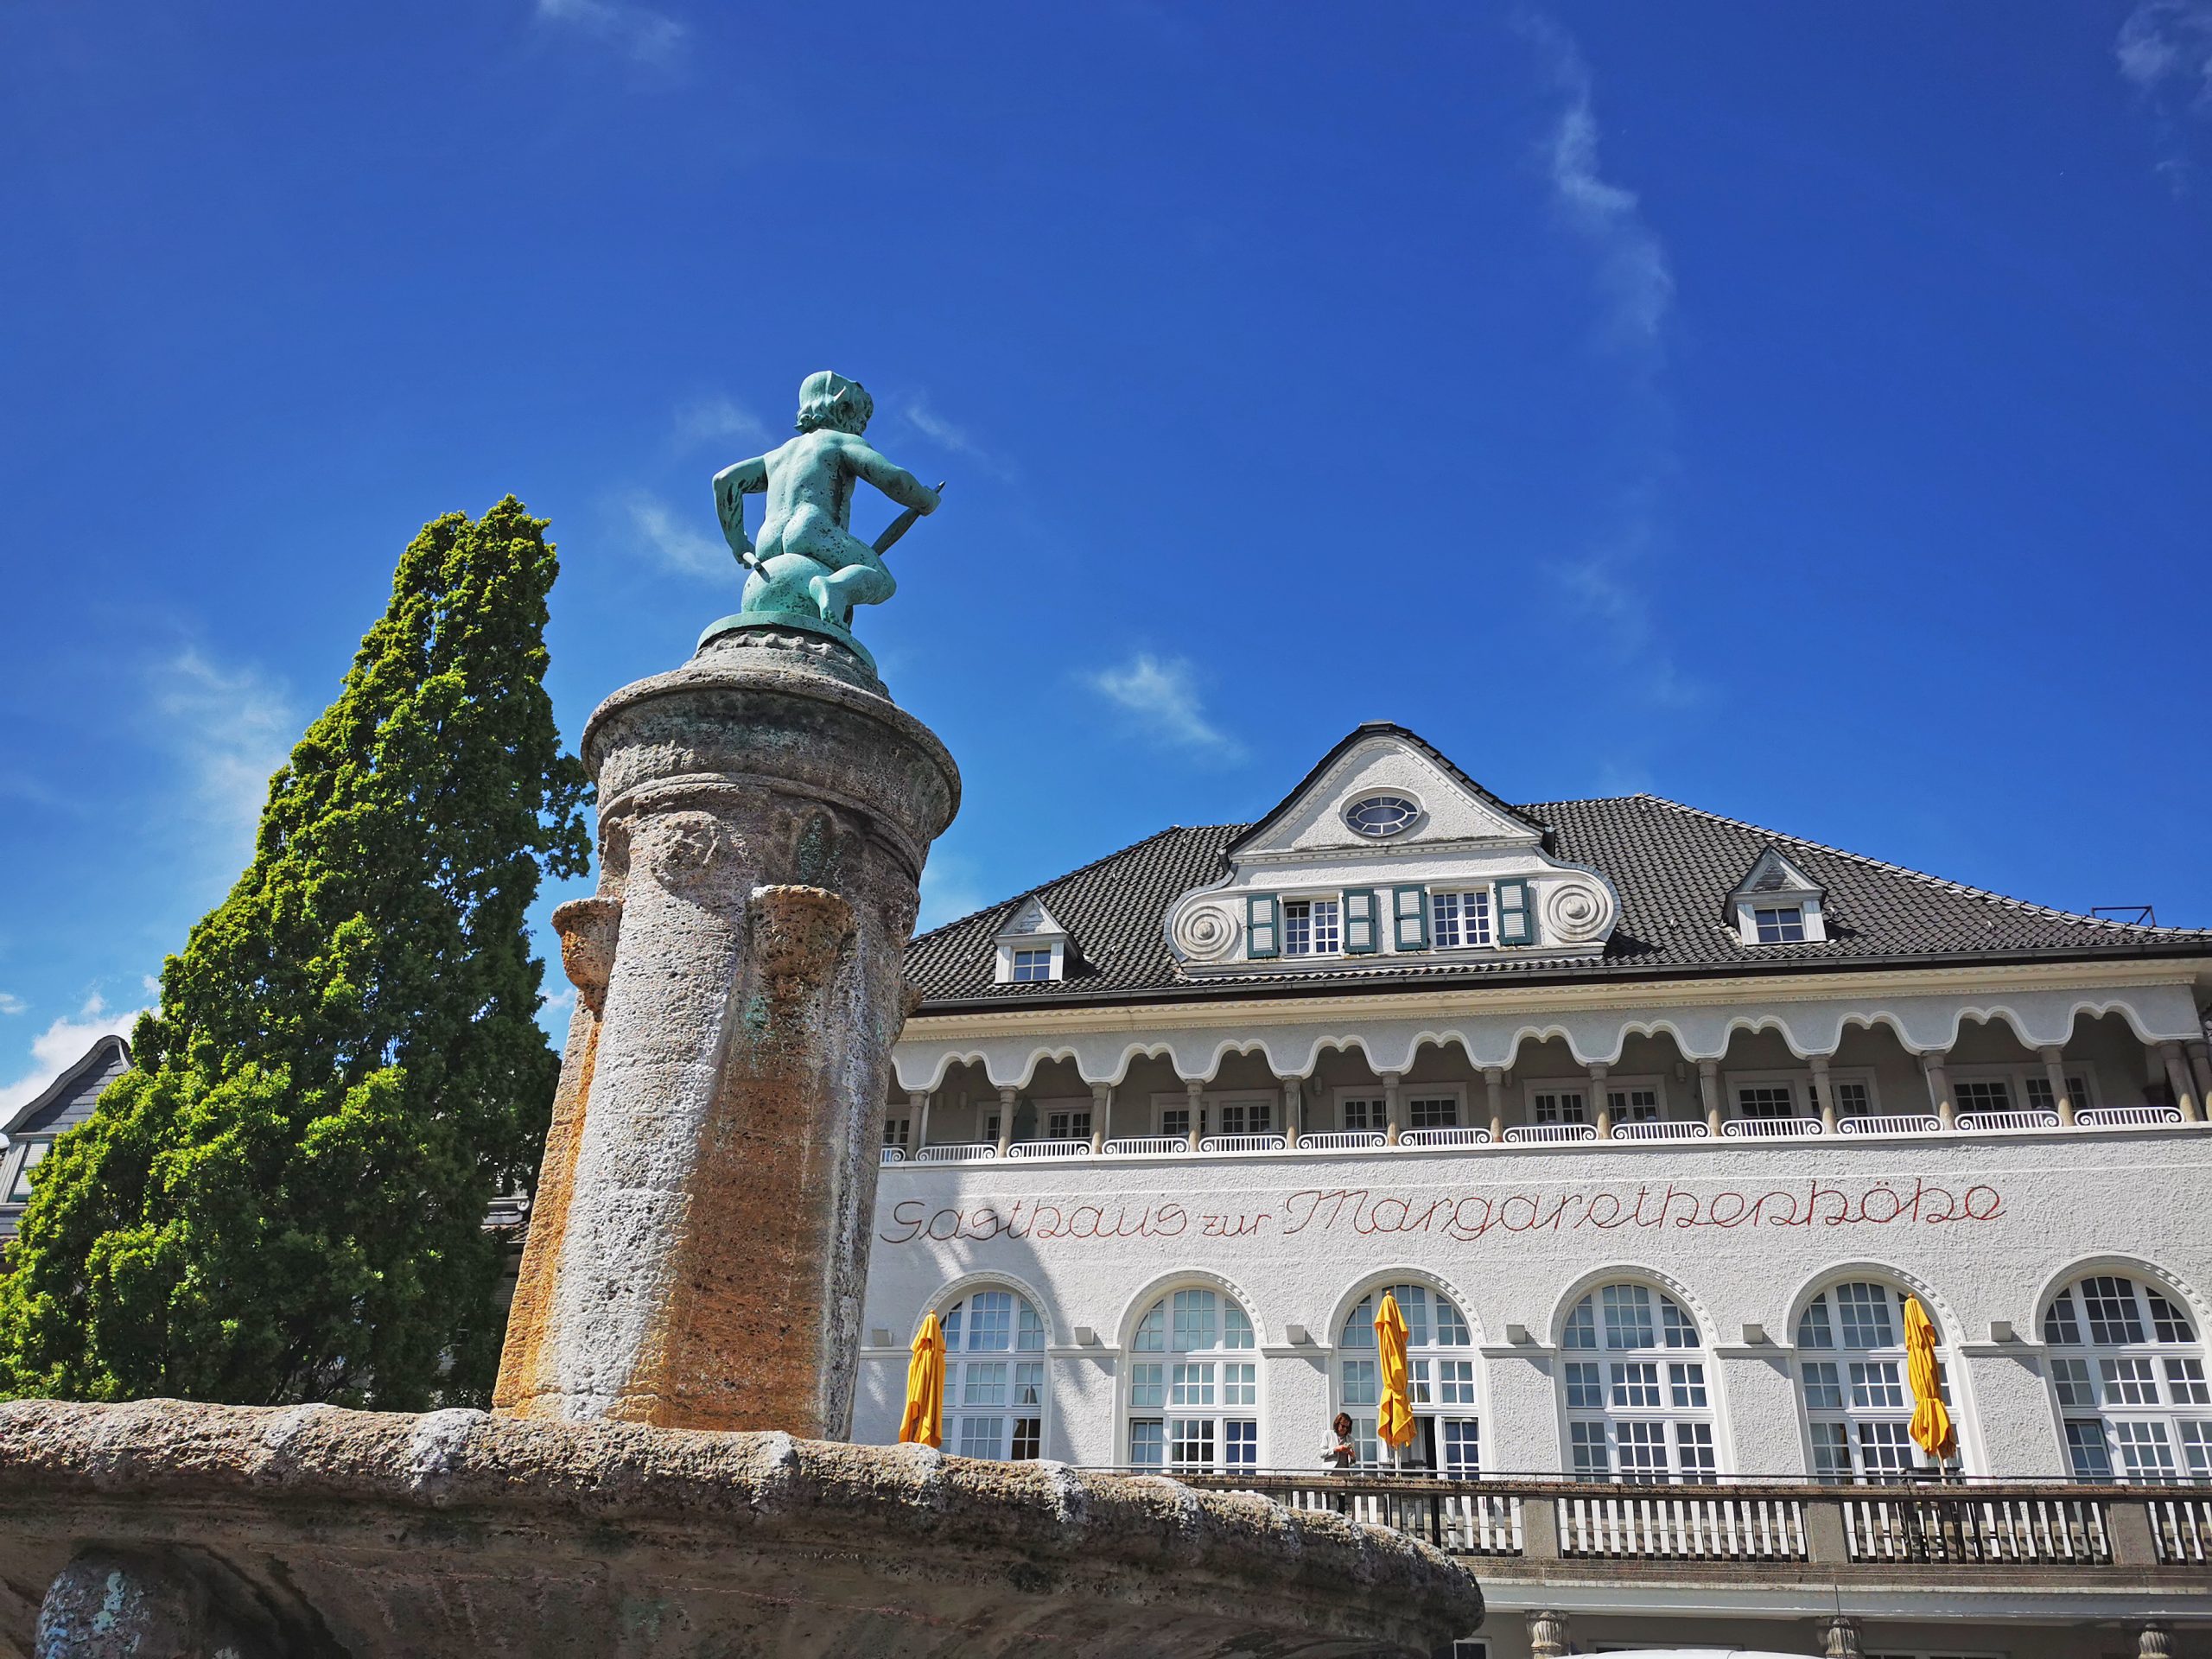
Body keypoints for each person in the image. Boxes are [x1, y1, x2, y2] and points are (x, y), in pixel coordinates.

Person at [712, 371, 942, 626]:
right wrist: (925, 500)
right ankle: (835, 588)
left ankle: (829, 592)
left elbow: (725, 481)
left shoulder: (778, 455)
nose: (862, 426)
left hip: (768, 543)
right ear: (843, 407)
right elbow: (895, 480)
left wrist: (739, 544)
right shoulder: (840, 441)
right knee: (883, 582)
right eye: (861, 418)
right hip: (812, 528)